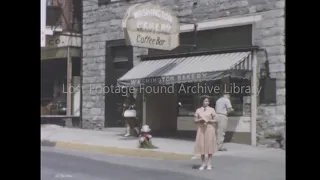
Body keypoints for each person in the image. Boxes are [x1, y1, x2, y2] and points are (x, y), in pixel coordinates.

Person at [194, 95, 217, 170]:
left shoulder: (212, 110)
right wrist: (200, 120)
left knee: (209, 145)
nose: (207, 102)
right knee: (202, 146)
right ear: (202, 102)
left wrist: (209, 120)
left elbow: (215, 120)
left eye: (208, 101)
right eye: (205, 101)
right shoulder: (198, 110)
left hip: (209, 129)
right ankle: (203, 163)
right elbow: (195, 120)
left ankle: (209, 164)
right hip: (201, 129)